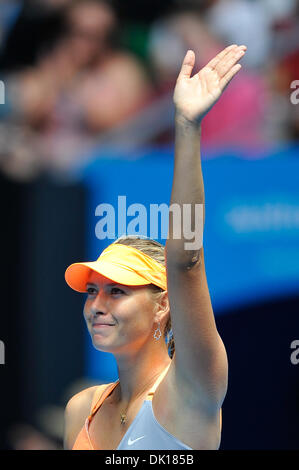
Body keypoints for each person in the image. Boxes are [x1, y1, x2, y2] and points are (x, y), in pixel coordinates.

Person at [63, 43, 247, 450]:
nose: (96, 305)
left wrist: (186, 124)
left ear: (163, 304)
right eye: (93, 290)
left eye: (117, 291)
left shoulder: (193, 385)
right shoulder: (80, 409)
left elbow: (185, 262)